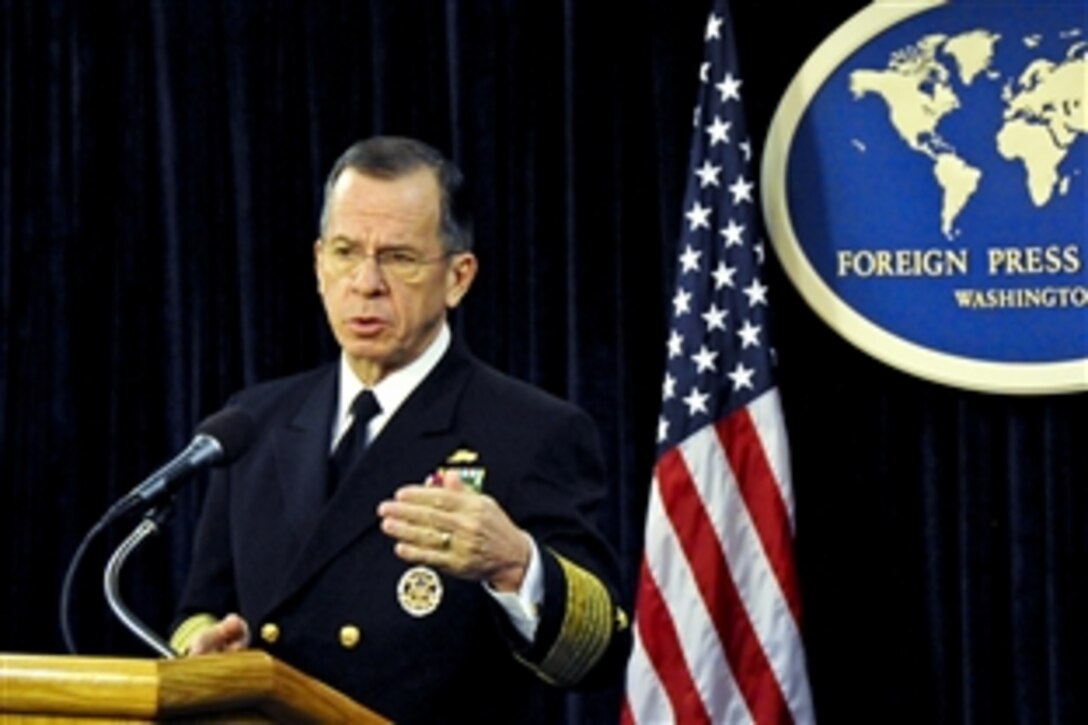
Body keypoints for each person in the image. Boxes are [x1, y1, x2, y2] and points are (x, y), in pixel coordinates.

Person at [170, 136, 631, 724]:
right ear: (318, 264)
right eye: (345, 252)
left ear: (458, 278)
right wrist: (205, 649)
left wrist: (516, 565)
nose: (365, 283)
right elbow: (199, 608)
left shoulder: (531, 431)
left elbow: (597, 658)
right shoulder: (252, 423)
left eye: (399, 258)